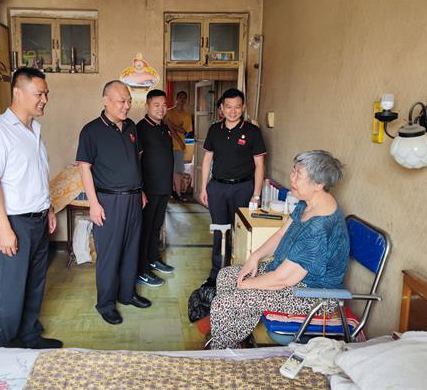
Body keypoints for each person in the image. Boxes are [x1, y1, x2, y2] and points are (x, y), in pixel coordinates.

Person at [209, 150, 350, 349]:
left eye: (299, 175)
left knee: (226, 303)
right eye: (294, 171)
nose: (292, 178)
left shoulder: (320, 227)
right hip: (288, 274)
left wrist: (246, 285)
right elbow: (281, 234)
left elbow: (283, 279)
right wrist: (255, 257)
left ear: (318, 184)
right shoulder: (307, 203)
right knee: (226, 276)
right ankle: (232, 339)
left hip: (312, 293)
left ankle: (221, 352)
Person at [0, 67, 61, 349]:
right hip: (14, 223)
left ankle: (29, 337)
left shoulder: (34, 130)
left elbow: (36, 176)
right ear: (18, 92)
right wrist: (4, 229)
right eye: (39, 94)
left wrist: (49, 208)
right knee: (9, 292)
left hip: (38, 220)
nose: (44, 99)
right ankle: (4, 350)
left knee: (34, 285)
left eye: (46, 93)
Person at [76, 80, 151, 325]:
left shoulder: (131, 127)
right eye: (122, 101)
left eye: (129, 101)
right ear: (106, 100)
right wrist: (93, 203)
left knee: (131, 249)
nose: (127, 106)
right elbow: (84, 168)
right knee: (109, 255)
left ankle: (127, 294)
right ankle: (106, 304)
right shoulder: (91, 131)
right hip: (108, 201)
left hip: (133, 199)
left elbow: (136, 160)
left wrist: (140, 190)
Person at [200, 88, 266, 287]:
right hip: (217, 188)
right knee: (220, 231)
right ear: (221, 108)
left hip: (243, 188)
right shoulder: (214, 130)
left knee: (240, 232)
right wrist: (203, 188)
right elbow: (207, 160)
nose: (232, 111)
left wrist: (256, 195)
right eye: (228, 107)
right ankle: (216, 275)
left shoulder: (252, 131)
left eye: (237, 107)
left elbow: (260, 165)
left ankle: (237, 275)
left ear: (243, 107)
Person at [136, 89, 176, 288]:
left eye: (164, 105)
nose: (161, 109)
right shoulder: (140, 129)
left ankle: (153, 259)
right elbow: (136, 162)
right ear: (147, 106)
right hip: (148, 189)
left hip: (163, 187)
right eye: (156, 105)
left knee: (156, 227)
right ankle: (141, 270)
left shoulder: (164, 128)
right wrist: (140, 189)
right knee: (145, 229)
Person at [165, 91, 192, 201]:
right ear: (176, 98)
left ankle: (178, 193)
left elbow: (183, 130)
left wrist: (170, 124)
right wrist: (175, 129)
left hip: (179, 147)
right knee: (166, 170)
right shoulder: (168, 112)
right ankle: (168, 192)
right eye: (180, 97)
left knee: (178, 171)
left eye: (184, 98)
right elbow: (169, 128)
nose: (182, 100)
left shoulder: (186, 115)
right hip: (167, 145)